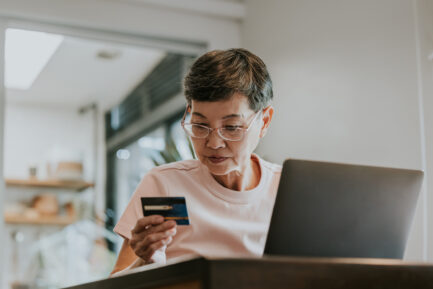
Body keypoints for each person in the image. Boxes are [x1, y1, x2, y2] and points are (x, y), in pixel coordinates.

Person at [111, 48, 281, 275]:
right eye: (200, 125)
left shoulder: (286, 190)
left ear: (265, 121)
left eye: (231, 127)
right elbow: (115, 281)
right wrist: (145, 262)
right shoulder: (167, 186)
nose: (213, 143)